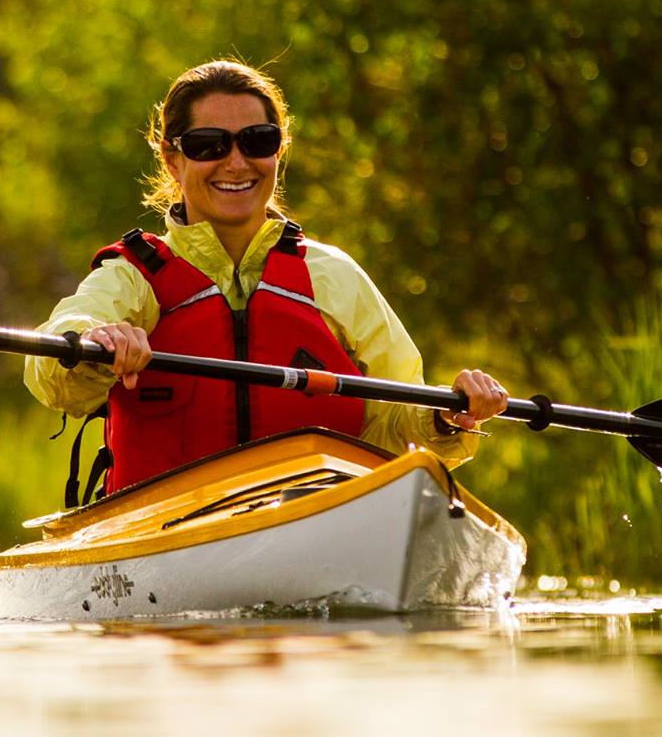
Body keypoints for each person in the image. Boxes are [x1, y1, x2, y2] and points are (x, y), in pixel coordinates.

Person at [25, 60, 507, 498]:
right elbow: (54, 371)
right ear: (173, 160)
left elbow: (396, 421)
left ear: (280, 151)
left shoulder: (333, 277)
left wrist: (447, 416)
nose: (236, 162)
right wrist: (93, 343)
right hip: (161, 525)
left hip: (318, 512)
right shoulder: (134, 278)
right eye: (208, 145)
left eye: (257, 141)